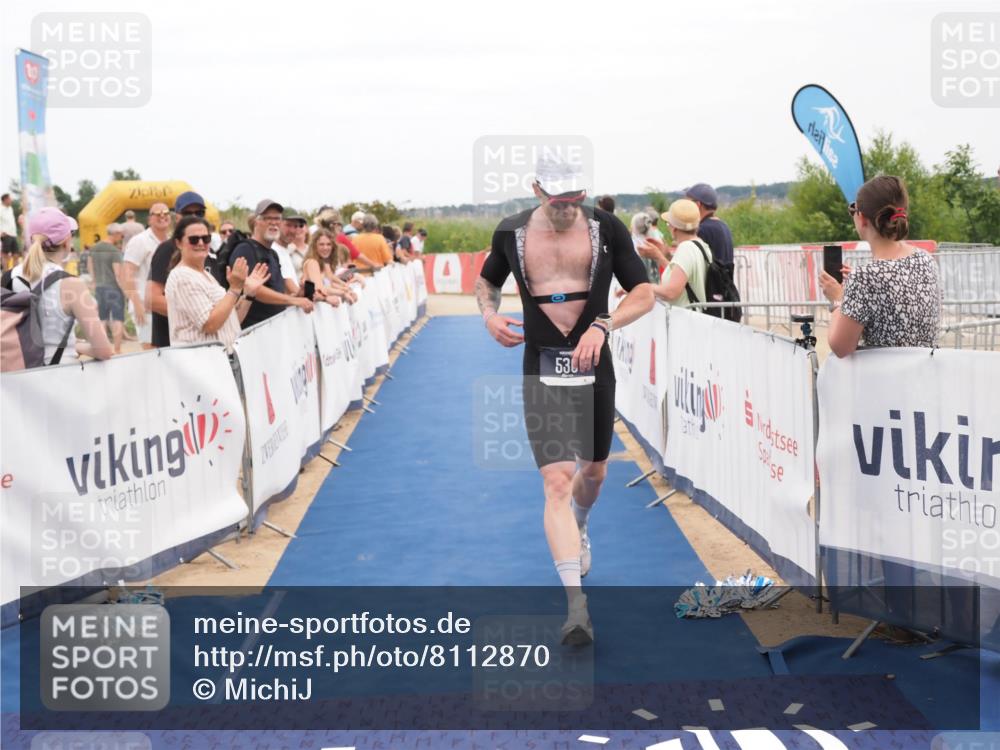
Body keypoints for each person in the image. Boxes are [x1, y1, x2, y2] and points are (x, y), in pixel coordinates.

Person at [476, 155, 654, 646]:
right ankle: (577, 607)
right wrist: (489, 316)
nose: (566, 208)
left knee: (593, 471)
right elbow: (487, 282)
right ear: (537, 190)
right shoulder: (510, 233)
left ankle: (582, 523)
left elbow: (643, 292)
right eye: (557, 200)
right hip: (540, 363)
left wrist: (604, 324)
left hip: (594, 364)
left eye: (574, 198)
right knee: (556, 481)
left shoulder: (607, 229)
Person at [819, 175, 941, 357]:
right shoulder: (926, 259)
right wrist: (861, 289)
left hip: (886, 382)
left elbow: (840, 347)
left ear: (862, 218)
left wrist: (838, 299)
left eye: (853, 209)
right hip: (925, 379)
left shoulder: (865, 277)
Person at [9, 207, 112, 364]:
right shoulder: (71, 284)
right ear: (66, 242)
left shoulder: (8, 277)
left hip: (18, 376)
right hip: (60, 375)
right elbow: (103, 350)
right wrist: (76, 345)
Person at [165, 215, 270, 351]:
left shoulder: (204, 275)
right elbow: (209, 325)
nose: (201, 243)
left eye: (206, 238)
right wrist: (234, 289)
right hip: (200, 364)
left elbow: (230, 320)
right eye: (194, 239)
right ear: (179, 243)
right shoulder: (183, 277)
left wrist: (248, 294)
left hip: (220, 361)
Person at [228, 199, 314, 329]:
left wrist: (298, 295)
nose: (274, 223)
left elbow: (276, 292)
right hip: (252, 333)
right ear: (257, 221)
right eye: (268, 218)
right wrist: (293, 300)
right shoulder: (245, 249)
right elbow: (253, 290)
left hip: (275, 330)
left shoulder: (273, 254)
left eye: (278, 219)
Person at [148, 191, 210, 347]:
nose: (194, 216)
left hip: (206, 342)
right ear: (177, 217)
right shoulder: (167, 249)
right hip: (173, 345)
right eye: (188, 213)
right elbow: (152, 299)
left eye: (199, 212)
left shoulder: (207, 249)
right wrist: (196, 315)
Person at [123, 201, 171, 349]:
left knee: (166, 350)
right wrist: (137, 304)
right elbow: (127, 274)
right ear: (149, 219)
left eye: (166, 213)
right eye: (158, 214)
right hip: (145, 306)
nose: (162, 216)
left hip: (163, 304)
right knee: (151, 351)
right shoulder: (140, 241)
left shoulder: (171, 241)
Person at [649, 199, 710, 307]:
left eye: (668, 224)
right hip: (697, 319)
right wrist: (659, 256)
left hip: (684, 319)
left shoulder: (685, 249)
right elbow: (682, 276)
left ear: (674, 228)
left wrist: (643, 287)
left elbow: (671, 293)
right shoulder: (701, 245)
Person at [89, 223, 127, 353]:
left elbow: (90, 267)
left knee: (102, 318)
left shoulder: (94, 248)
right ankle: (117, 349)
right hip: (114, 288)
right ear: (115, 234)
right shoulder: (114, 251)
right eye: (121, 234)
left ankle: (104, 348)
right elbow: (118, 274)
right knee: (117, 318)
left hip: (99, 287)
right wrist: (125, 290)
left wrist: (94, 282)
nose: (121, 237)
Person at [685, 183, 735, 283]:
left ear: (697, 205)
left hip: (709, 293)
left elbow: (688, 269)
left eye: (687, 203)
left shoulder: (703, 229)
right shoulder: (723, 225)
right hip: (724, 291)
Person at [301, 229, 357, 306]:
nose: (325, 248)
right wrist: (343, 293)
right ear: (314, 246)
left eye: (328, 244)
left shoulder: (324, 262)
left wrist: (346, 290)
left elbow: (331, 282)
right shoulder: (312, 262)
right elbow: (320, 288)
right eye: (321, 244)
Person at [1, 193, 18, 258]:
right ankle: (5, 268)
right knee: (5, 254)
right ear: (5, 199)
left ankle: (14, 268)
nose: (11, 200)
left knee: (16, 254)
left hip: (13, 234)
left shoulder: (10, 208)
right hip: (6, 234)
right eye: (10, 199)